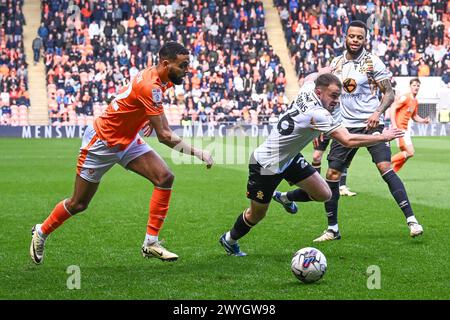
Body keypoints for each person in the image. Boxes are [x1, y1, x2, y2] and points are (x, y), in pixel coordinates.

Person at [30, 42, 214, 264]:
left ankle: (151, 243)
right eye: (183, 66)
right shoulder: (152, 86)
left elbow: (141, 108)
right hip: (101, 143)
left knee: (165, 177)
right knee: (78, 204)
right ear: (166, 64)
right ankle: (41, 231)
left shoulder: (161, 80)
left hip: (127, 141)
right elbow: (164, 135)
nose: (187, 71)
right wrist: (198, 152)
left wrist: (146, 119)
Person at [219, 72, 404, 256]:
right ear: (319, 92)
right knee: (257, 214)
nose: (336, 101)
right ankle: (229, 239)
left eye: (338, 96)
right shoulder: (318, 113)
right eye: (332, 96)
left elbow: (310, 76)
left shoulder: (308, 89)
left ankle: (285, 197)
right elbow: (347, 140)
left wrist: (332, 69)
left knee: (324, 193)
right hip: (266, 165)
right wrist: (382, 137)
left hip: (289, 158)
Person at [313, 21, 424, 243]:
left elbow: (389, 93)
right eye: (351, 36)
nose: (355, 40)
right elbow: (328, 95)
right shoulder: (336, 64)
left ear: (365, 40)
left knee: (385, 167)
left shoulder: (373, 62)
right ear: (345, 37)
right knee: (332, 175)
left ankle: (412, 220)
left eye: (359, 37)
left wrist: (377, 112)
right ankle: (332, 229)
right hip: (344, 127)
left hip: (372, 125)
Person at [390, 78, 430, 172]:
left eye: (418, 85)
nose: (416, 87)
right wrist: (394, 125)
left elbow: (414, 116)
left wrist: (423, 121)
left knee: (408, 154)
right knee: (409, 152)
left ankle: (393, 173)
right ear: (410, 86)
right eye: (414, 85)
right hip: (399, 128)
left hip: (405, 130)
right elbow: (393, 107)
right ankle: (387, 162)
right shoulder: (405, 97)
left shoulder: (415, 101)